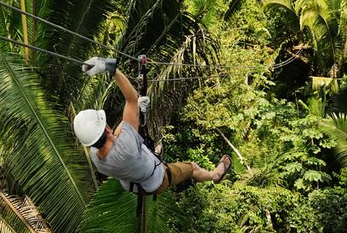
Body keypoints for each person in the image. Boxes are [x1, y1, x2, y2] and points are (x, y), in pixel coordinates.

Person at [73, 57, 232, 194]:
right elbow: (131, 99)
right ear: (106, 128)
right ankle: (214, 176)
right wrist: (110, 67)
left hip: (133, 184)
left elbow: (117, 135)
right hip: (157, 181)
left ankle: (152, 154)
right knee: (193, 167)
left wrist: (136, 111)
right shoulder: (126, 147)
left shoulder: (96, 157)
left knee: (140, 145)